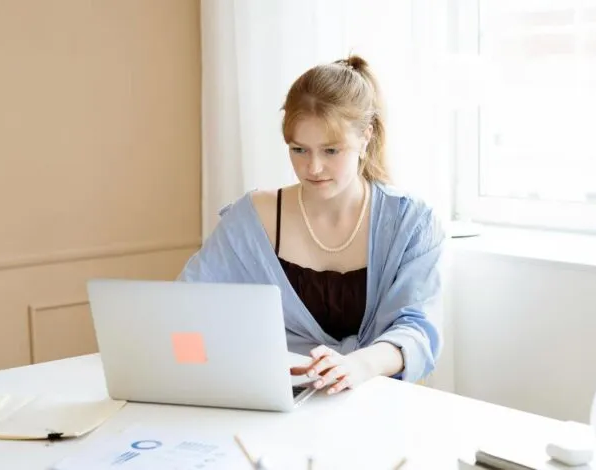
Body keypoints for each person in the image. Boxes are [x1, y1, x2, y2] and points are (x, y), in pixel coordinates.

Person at [177, 54, 446, 395]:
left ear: (366, 136)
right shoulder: (251, 219)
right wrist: (189, 377)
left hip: (374, 399)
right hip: (269, 401)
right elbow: (185, 308)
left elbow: (418, 330)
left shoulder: (412, 222)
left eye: (331, 150)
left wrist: (357, 366)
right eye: (299, 149)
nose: (313, 167)